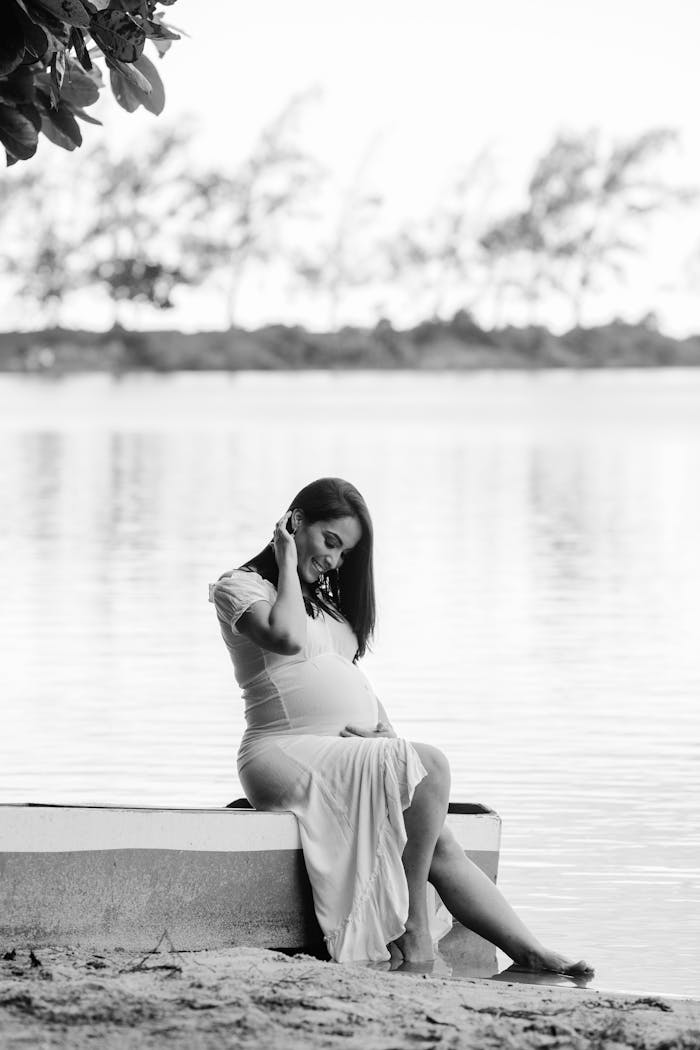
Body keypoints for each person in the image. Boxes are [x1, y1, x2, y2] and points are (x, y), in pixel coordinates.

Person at [209, 477, 593, 975]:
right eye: (330, 542)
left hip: (341, 754)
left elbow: (348, 676)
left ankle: (529, 952)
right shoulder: (239, 587)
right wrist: (284, 559)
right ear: (295, 521)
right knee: (431, 766)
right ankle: (413, 926)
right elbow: (283, 638)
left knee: (439, 838)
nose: (334, 561)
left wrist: (385, 737)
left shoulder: (321, 604)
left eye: (345, 554)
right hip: (281, 752)